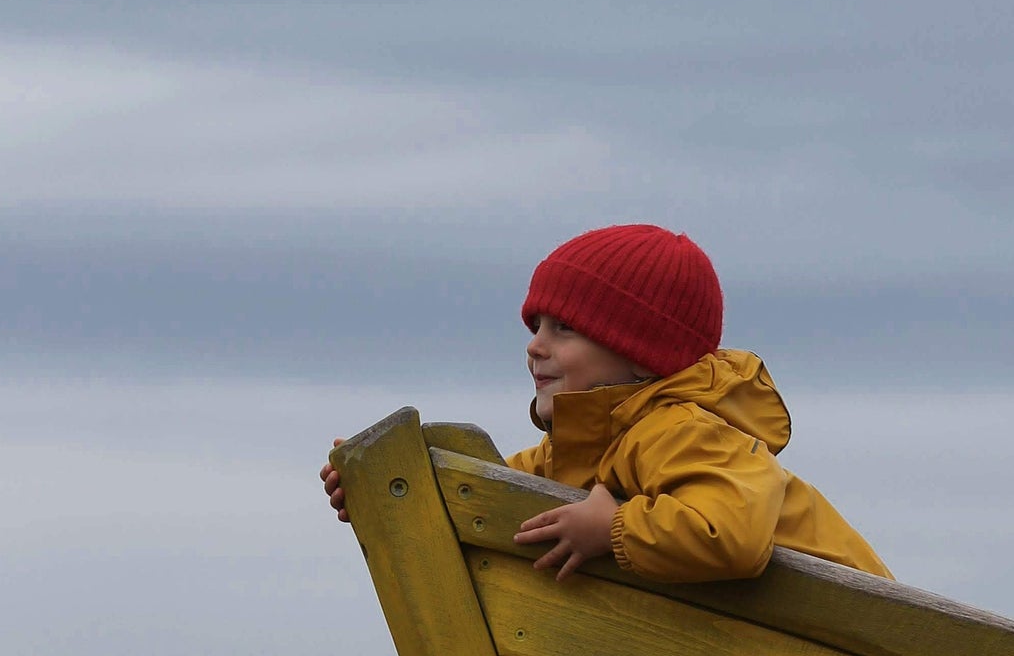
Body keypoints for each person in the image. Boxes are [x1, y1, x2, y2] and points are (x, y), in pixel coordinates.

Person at [322, 223, 889, 586]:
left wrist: (614, 526)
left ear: (639, 352)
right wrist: (390, 483)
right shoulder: (572, 453)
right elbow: (485, 490)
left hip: (876, 652)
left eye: (565, 328)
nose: (535, 344)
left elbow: (730, 534)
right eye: (536, 324)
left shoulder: (685, 431)